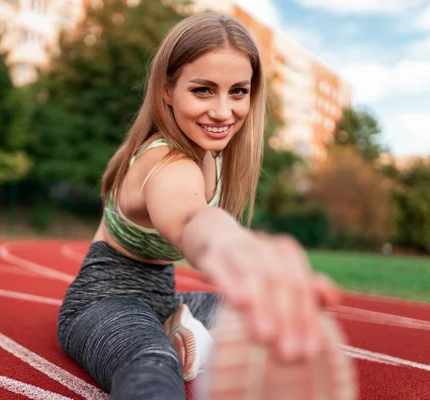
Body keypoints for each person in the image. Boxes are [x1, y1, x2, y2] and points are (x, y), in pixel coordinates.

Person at [57, 11, 357, 400]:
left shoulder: (209, 153)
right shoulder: (166, 160)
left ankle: (173, 325)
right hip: (101, 302)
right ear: (167, 90)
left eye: (238, 91)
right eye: (203, 90)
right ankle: (167, 337)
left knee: (276, 315)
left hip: (164, 297)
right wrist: (237, 249)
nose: (222, 111)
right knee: (152, 362)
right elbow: (191, 219)